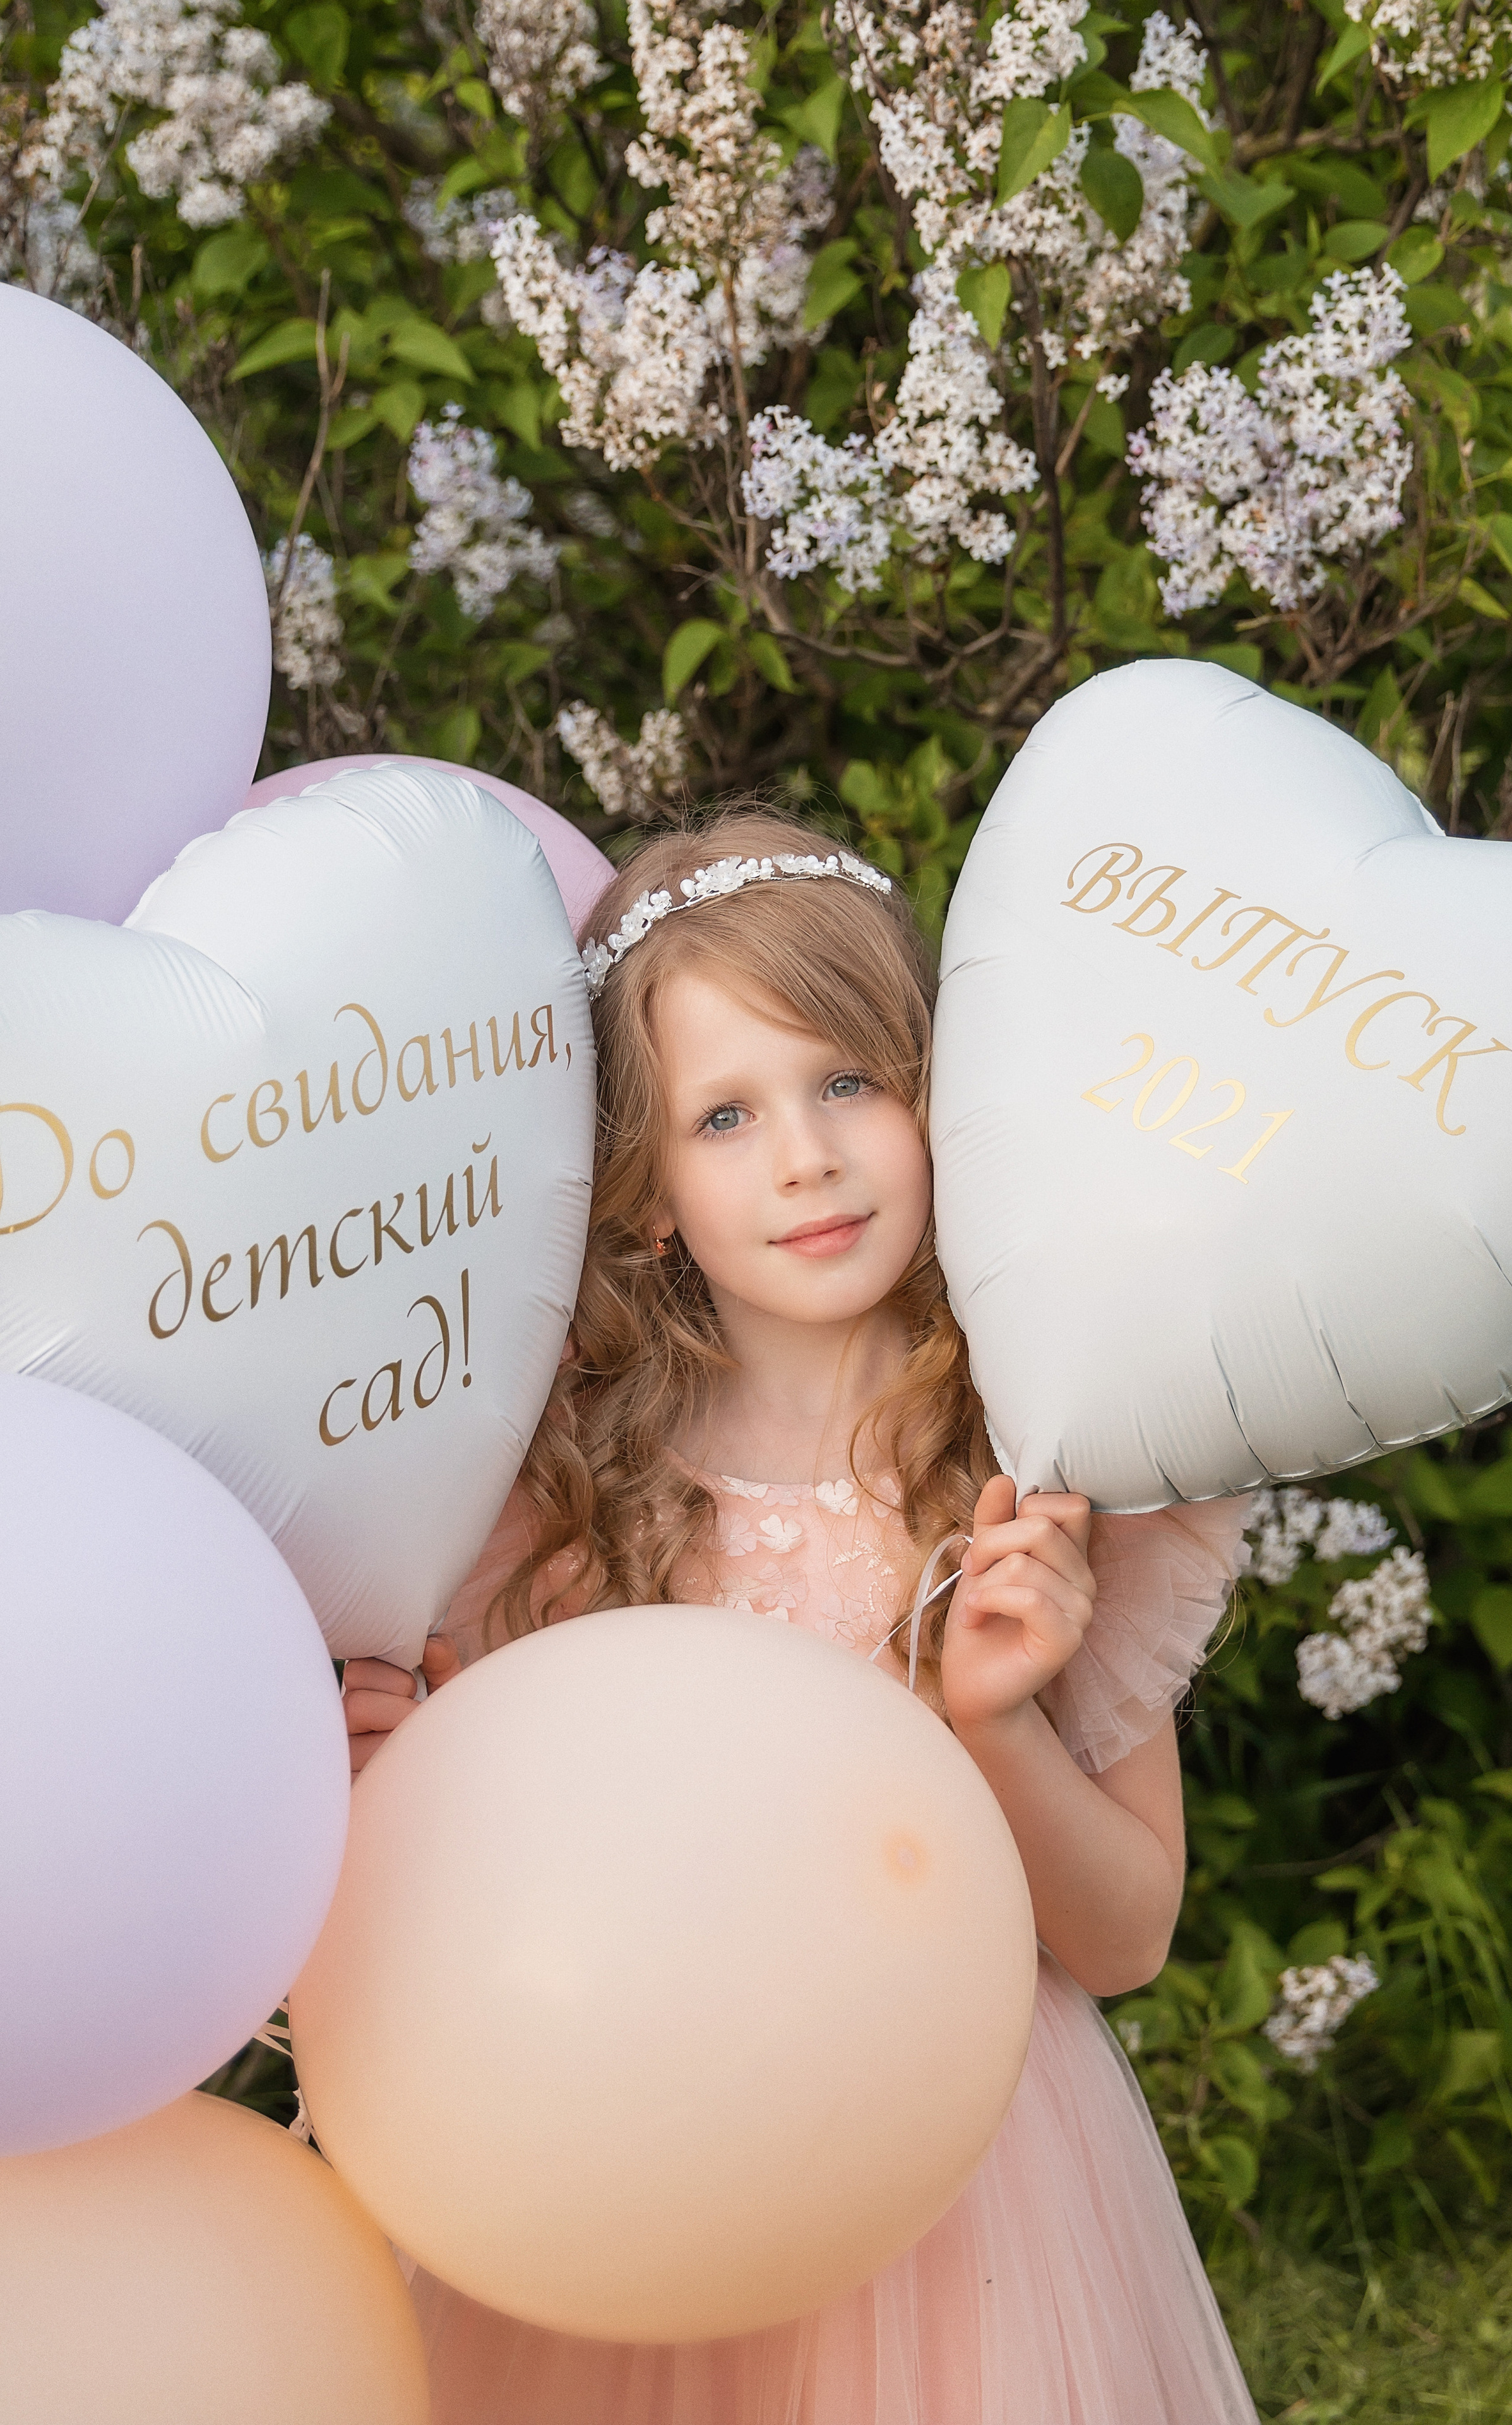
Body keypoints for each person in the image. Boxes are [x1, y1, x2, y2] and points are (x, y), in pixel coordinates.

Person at [342, 807, 1259, 2425]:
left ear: (935, 1097)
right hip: (631, 2148)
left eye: (848, 1078)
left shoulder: (1038, 1462)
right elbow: (495, 1908)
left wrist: (995, 1724)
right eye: (723, 1115)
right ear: (642, 1193)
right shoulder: (544, 1507)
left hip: (959, 2168)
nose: (805, 1157)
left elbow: (1122, 1938)